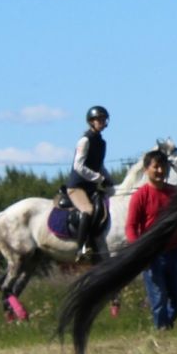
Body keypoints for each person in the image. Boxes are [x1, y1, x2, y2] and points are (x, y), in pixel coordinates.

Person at [125, 148, 177, 330]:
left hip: (175, 253)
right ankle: (162, 332)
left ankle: (164, 327)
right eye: (156, 167)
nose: (161, 171)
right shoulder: (140, 196)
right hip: (151, 256)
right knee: (158, 298)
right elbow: (131, 226)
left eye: (164, 166)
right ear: (146, 170)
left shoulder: (176, 194)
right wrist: (138, 251)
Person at [66, 105, 112, 259]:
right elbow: (78, 166)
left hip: (91, 187)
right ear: (91, 121)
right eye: (98, 119)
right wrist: (99, 178)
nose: (101, 122)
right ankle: (81, 248)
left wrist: (109, 180)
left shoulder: (102, 142)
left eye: (103, 119)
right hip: (77, 187)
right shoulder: (85, 140)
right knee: (88, 210)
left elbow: (100, 166)